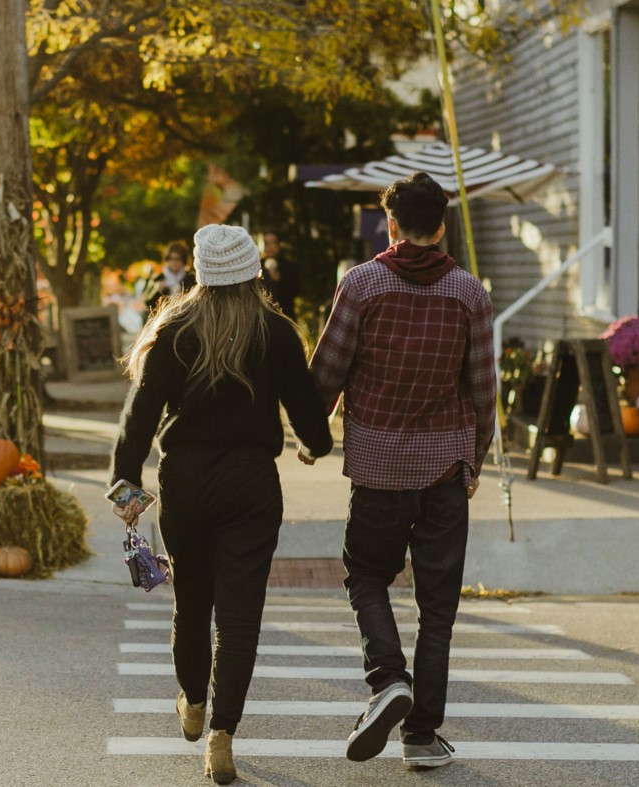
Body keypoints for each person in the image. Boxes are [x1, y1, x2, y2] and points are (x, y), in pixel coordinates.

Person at [111, 224, 332, 785]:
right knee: (239, 618)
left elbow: (137, 419)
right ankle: (223, 735)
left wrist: (126, 488)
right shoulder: (278, 333)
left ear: (196, 271)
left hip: (184, 481)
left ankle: (191, 703)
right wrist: (314, 445)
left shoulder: (173, 329)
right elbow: (312, 422)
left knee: (192, 601)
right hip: (251, 485)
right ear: (256, 271)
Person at [308, 171, 496, 770]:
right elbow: (485, 389)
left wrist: (312, 434)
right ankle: (420, 735)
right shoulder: (470, 294)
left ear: (390, 224)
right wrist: (477, 456)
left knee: (366, 576)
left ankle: (388, 677)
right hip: (444, 468)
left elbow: (328, 370)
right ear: (441, 227)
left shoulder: (360, 285)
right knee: (438, 605)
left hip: (379, 467)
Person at [143, 240, 197, 316]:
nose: (174, 262)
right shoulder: (159, 278)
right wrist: (157, 291)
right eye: (172, 259)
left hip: (186, 316)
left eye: (178, 259)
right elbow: (148, 305)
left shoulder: (190, 278)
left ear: (183, 261)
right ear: (167, 259)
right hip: (163, 317)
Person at [259, 231, 300, 322]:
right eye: (266, 243)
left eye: (273, 243)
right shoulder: (256, 266)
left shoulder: (290, 266)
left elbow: (295, 291)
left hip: (285, 316)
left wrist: (280, 280)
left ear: (279, 244)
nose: (270, 247)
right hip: (262, 318)